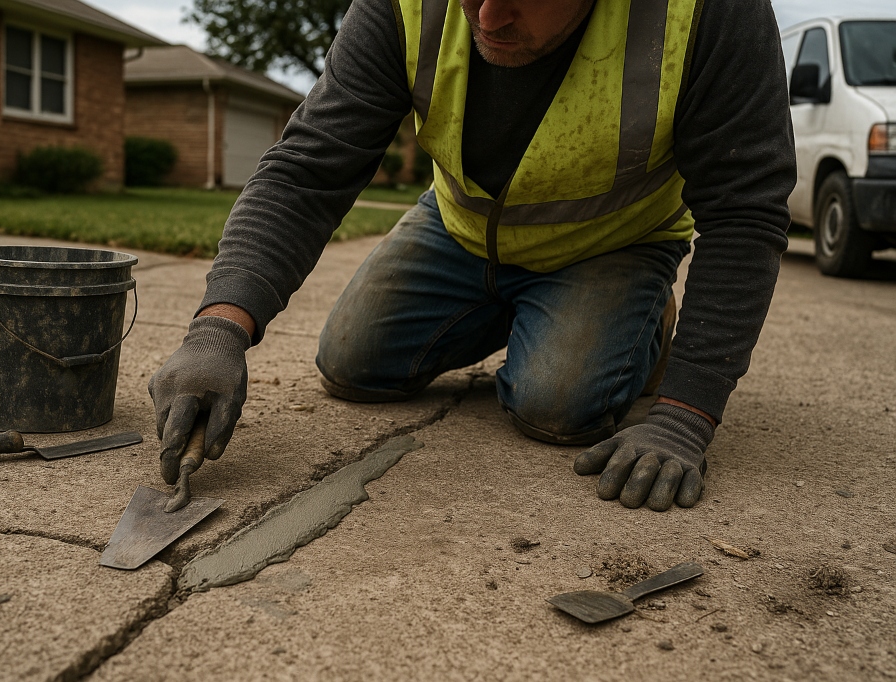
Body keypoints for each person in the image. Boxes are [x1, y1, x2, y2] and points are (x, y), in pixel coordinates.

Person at [148, 0, 796, 511]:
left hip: (610, 243)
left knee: (558, 405)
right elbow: (308, 170)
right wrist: (218, 330)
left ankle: (643, 323)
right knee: (351, 365)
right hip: (461, 227)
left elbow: (745, 210)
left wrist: (686, 414)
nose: (486, 16)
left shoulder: (707, 13)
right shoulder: (402, 6)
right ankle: (524, 313)